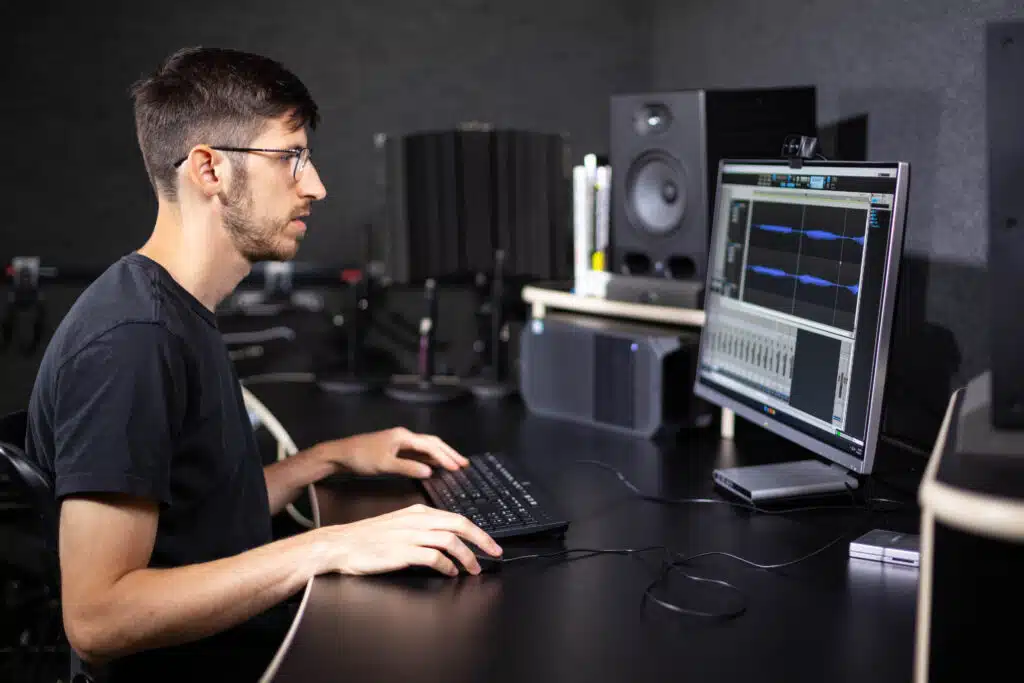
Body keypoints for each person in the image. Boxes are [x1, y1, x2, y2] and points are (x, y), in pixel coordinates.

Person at [24, 46, 502, 679]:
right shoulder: (132, 340)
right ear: (209, 170)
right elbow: (98, 620)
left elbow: (198, 518)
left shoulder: (175, 309)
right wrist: (329, 545)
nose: (316, 185)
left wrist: (326, 460)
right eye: (291, 156)